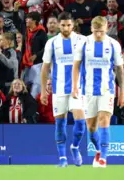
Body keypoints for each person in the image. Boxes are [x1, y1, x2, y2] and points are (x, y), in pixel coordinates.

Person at [72, 16, 124, 168]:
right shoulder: (83, 43)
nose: (98, 35)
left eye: (101, 32)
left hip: (107, 89)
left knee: (104, 119)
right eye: (96, 31)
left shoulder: (113, 44)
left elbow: (120, 69)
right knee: (91, 127)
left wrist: (122, 92)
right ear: (91, 29)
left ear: (107, 29)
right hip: (87, 90)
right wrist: (75, 86)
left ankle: (103, 158)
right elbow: (76, 65)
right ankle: (98, 150)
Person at [40, 11, 87, 167]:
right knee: (60, 123)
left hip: (77, 88)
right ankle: (62, 159)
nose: (66, 28)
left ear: (73, 25)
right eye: (63, 25)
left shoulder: (82, 40)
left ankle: (74, 147)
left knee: (81, 123)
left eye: (68, 25)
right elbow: (45, 68)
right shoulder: (52, 43)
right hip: (58, 89)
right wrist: (43, 89)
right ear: (59, 25)